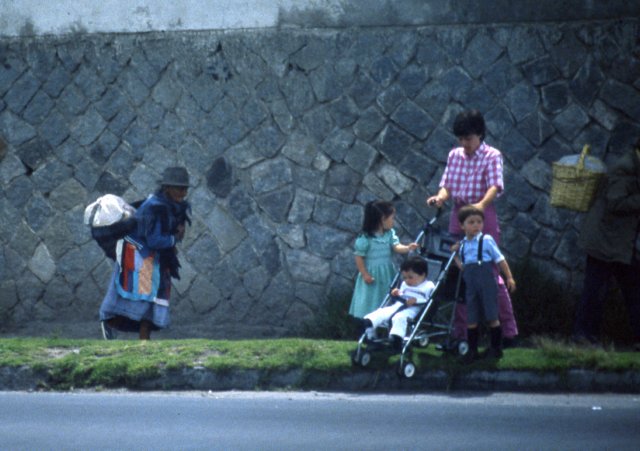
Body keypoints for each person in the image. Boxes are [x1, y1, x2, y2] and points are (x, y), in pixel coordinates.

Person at [426, 109, 519, 347]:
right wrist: (440, 198)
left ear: (479, 135)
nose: (464, 144)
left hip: (481, 214)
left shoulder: (492, 155)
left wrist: (479, 206)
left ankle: (507, 331)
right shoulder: (455, 155)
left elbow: (495, 186)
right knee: (458, 274)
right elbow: (447, 184)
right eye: (460, 139)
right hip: (458, 214)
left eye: (468, 138)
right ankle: (462, 333)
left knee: (489, 274)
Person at [99, 166, 191, 340]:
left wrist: (173, 239)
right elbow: (154, 240)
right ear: (167, 188)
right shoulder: (154, 208)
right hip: (138, 259)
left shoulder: (170, 206)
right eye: (180, 188)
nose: (183, 192)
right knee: (138, 298)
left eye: (185, 188)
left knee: (152, 300)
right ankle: (108, 322)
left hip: (153, 260)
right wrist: (174, 239)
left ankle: (144, 341)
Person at [573, 139, 640, 350]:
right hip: (605, 241)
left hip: (617, 242)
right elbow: (616, 202)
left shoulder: (632, 165)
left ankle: (584, 336)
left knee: (632, 289)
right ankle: (583, 337)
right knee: (596, 290)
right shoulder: (625, 168)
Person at [457, 206, 516, 361]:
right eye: (471, 222)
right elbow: (463, 267)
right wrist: (454, 255)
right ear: (462, 226)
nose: (476, 225)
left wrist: (509, 277)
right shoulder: (463, 245)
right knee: (472, 316)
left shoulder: (486, 240)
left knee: (491, 314)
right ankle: (472, 350)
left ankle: (496, 349)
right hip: (471, 283)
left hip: (487, 281)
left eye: (479, 222)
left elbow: (500, 259)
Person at [348, 200, 419, 319]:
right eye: (392, 218)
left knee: (386, 299)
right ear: (382, 218)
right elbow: (359, 257)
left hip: (386, 274)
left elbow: (396, 246)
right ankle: (370, 327)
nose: (393, 221)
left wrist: (407, 248)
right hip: (372, 275)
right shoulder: (365, 238)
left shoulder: (389, 234)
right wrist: (365, 274)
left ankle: (384, 323)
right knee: (371, 300)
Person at [362, 256, 436, 350]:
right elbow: (402, 293)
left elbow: (430, 300)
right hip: (399, 304)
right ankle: (369, 328)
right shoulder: (405, 284)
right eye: (404, 277)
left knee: (399, 318)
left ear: (423, 275)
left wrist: (416, 300)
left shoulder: (428, 286)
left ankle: (396, 339)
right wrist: (397, 293)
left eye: (410, 277)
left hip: (414, 309)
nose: (407, 280)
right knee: (382, 312)